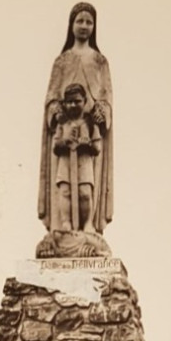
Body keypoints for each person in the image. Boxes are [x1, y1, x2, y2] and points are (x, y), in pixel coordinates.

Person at [38, 2, 113, 237]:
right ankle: (64, 227)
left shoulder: (100, 62)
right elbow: (51, 96)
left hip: (90, 136)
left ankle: (89, 228)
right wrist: (57, 111)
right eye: (79, 21)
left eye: (89, 22)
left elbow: (106, 96)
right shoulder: (62, 61)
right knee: (65, 189)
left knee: (86, 189)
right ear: (71, 25)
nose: (84, 26)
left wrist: (102, 112)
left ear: (94, 27)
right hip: (66, 132)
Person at [52, 83, 102, 231]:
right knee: (65, 192)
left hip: (84, 162)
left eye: (77, 101)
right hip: (66, 163)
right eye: (69, 102)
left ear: (85, 101)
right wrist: (64, 141)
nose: (73, 105)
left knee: (85, 193)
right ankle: (66, 222)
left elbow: (97, 147)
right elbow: (55, 146)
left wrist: (87, 145)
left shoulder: (91, 124)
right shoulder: (63, 124)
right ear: (64, 103)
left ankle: (87, 223)